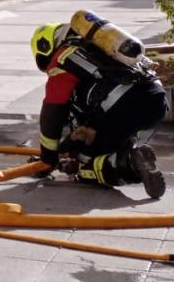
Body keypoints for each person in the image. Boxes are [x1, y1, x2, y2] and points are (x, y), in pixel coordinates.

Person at [31, 21, 167, 198]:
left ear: (45, 47)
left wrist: (48, 158)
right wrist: (64, 148)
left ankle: (131, 163)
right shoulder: (98, 48)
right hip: (157, 99)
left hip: (122, 103)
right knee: (108, 141)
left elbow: (52, 113)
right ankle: (132, 155)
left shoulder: (63, 60)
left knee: (86, 164)